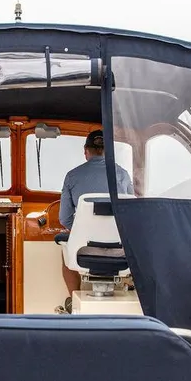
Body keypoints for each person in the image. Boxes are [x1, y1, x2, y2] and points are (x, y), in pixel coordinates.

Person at [56, 130, 134, 312]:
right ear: (108, 151)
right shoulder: (122, 175)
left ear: (86, 151)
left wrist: (79, 233)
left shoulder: (72, 177)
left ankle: (72, 299)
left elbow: (64, 218)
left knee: (65, 248)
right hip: (120, 252)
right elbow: (132, 214)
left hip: (83, 251)